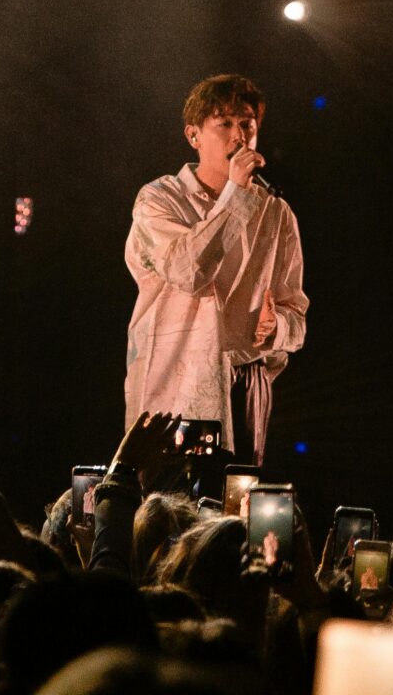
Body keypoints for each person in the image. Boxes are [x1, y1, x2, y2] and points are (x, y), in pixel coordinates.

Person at [124, 74, 309, 468]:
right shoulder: (158, 200)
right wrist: (236, 195)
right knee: (171, 506)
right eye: (224, 124)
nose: (238, 136)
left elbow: (297, 313)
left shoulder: (276, 213)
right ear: (194, 135)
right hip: (177, 376)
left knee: (236, 504)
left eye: (247, 125)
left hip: (247, 378)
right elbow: (188, 270)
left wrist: (277, 328)